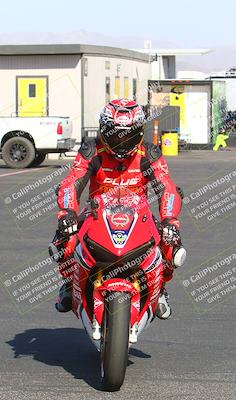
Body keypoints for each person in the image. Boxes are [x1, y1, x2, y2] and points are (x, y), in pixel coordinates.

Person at [52, 98, 187, 319]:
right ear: (104, 130)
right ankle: (69, 282)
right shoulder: (91, 150)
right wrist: (67, 213)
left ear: (140, 132)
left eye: (128, 135)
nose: (122, 142)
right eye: (116, 135)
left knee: (171, 243)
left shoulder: (149, 153)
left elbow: (167, 188)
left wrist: (170, 221)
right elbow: (72, 182)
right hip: (95, 211)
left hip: (139, 214)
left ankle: (160, 288)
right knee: (63, 238)